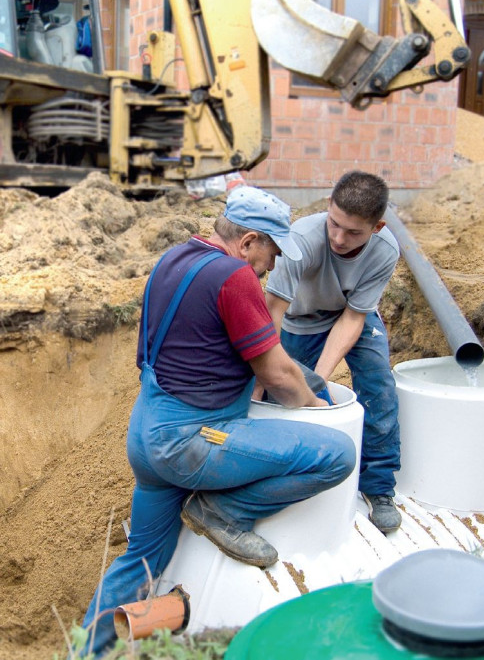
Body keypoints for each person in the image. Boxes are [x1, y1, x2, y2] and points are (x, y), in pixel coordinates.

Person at [81, 186, 357, 655]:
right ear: (248, 241)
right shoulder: (233, 276)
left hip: (147, 433)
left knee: (141, 559)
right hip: (190, 440)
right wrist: (317, 408)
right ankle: (222, 512)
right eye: (270, 252)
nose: (271, 266)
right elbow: (275, 373)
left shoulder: (174, 258)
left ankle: (84, 652)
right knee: (337, 455)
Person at [264, 171, 402, 534]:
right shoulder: (300, 240)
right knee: (288, 398)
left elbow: (354, 317)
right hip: (298, 319)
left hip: (350, 314)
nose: (339, 238)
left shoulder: (385, 250)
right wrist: (279, 379)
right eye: (335, 224)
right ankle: (296, 479)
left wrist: (320, 377)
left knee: (379, 388)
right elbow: (271, 313)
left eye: (354, 232)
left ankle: (378, 487)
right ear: (328, 206)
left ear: (377, 227)